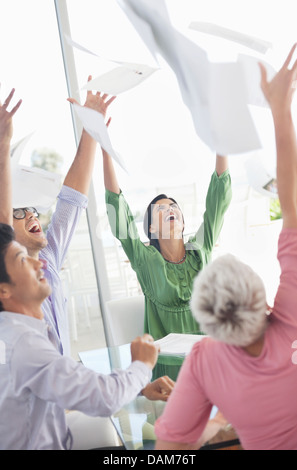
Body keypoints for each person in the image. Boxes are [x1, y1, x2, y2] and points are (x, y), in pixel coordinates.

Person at [154, 44, 297, 451]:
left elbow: (170, 449)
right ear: (263, 295)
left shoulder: (205, 360)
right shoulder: (293, 314)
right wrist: (280, 108)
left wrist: (217, 420)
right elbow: (293, 202)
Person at [0, 222, 176, 450]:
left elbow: (74, 384)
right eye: (23, 260)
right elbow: (106, 398)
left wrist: (140, 388)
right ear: (3, 290)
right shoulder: (25, 344)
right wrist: (142, 365)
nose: (39, 262)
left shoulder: (16, 335)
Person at [103, 115, 231, 380]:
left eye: (174, 207)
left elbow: (218, 199)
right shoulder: (145, 260)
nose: (170, 208)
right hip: (170, 372)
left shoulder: (200, 249)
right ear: (150, 229)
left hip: (212, 360)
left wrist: (221, 139)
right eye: (161, 209)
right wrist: (105, 148)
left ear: (183, 222)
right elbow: (119, 213)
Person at [0, 79, 116, 357]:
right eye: (20, 211)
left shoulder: (48, 258)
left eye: (32, 209)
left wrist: (90, 128)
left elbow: (72, 198)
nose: (30, 214)